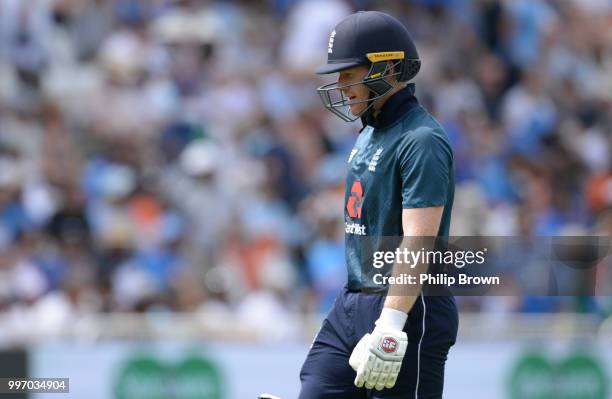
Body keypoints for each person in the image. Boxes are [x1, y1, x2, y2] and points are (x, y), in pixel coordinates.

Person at [300, 10, 458, 398]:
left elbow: (419, 239)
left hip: (409, 306)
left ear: (385, 68)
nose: (341, 85)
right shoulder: (370, 132)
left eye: (349, 74)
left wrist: (390, 324)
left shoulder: (421, 139)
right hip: (355, 299)